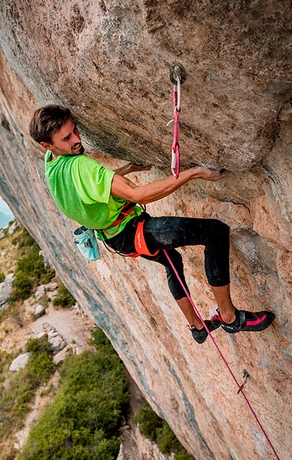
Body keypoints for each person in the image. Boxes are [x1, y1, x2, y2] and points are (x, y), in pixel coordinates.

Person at [29, 104, 275, 344]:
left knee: (172, 261)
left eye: (75, 130)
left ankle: (197, 327)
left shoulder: (52, 163)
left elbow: (89, 188)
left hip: (114, 236)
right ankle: (230, 317)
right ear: (47, 144)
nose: (76, 140)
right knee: (215, 232)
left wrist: (125, 169)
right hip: (132, 230)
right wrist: (193, 173)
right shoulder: (81, 165)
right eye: (66, 138)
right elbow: (138, 196)